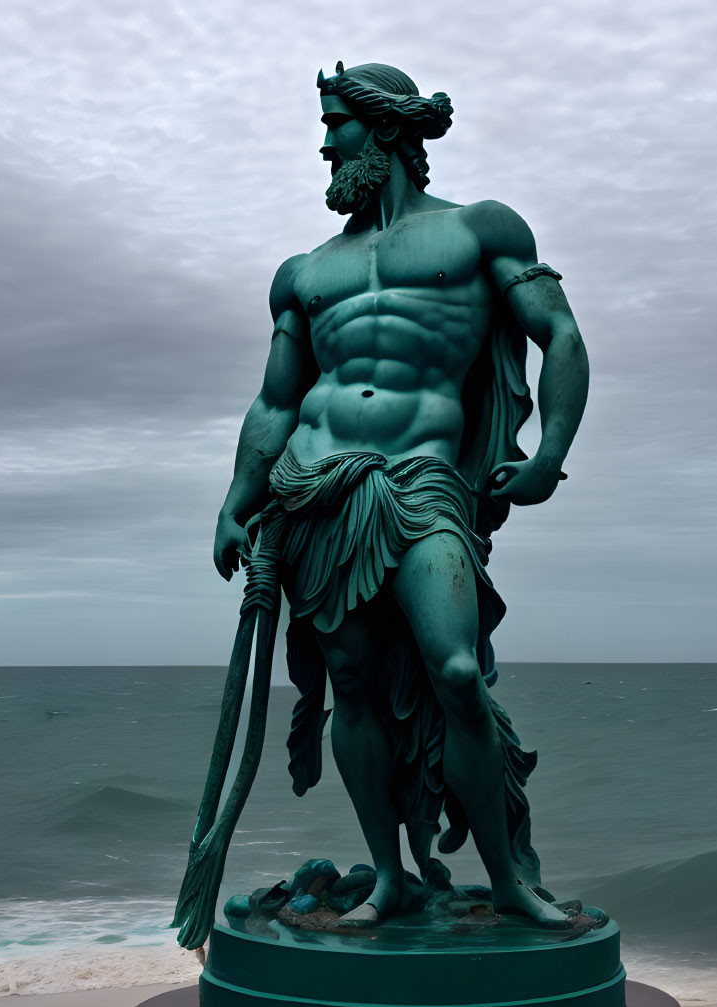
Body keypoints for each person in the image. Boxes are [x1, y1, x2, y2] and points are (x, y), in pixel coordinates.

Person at [211, 63, 591, 927]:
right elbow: (274, 400)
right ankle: (386, 875)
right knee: (350, 682)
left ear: (384, 131)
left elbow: (560, 333)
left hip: (423, 478)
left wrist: (547, 456)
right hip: (314, 488)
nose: (323, 143)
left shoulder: (479, 230)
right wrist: (235, 499)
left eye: (334, 123)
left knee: (455, 669)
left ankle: (506, 879)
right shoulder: (303, 272)